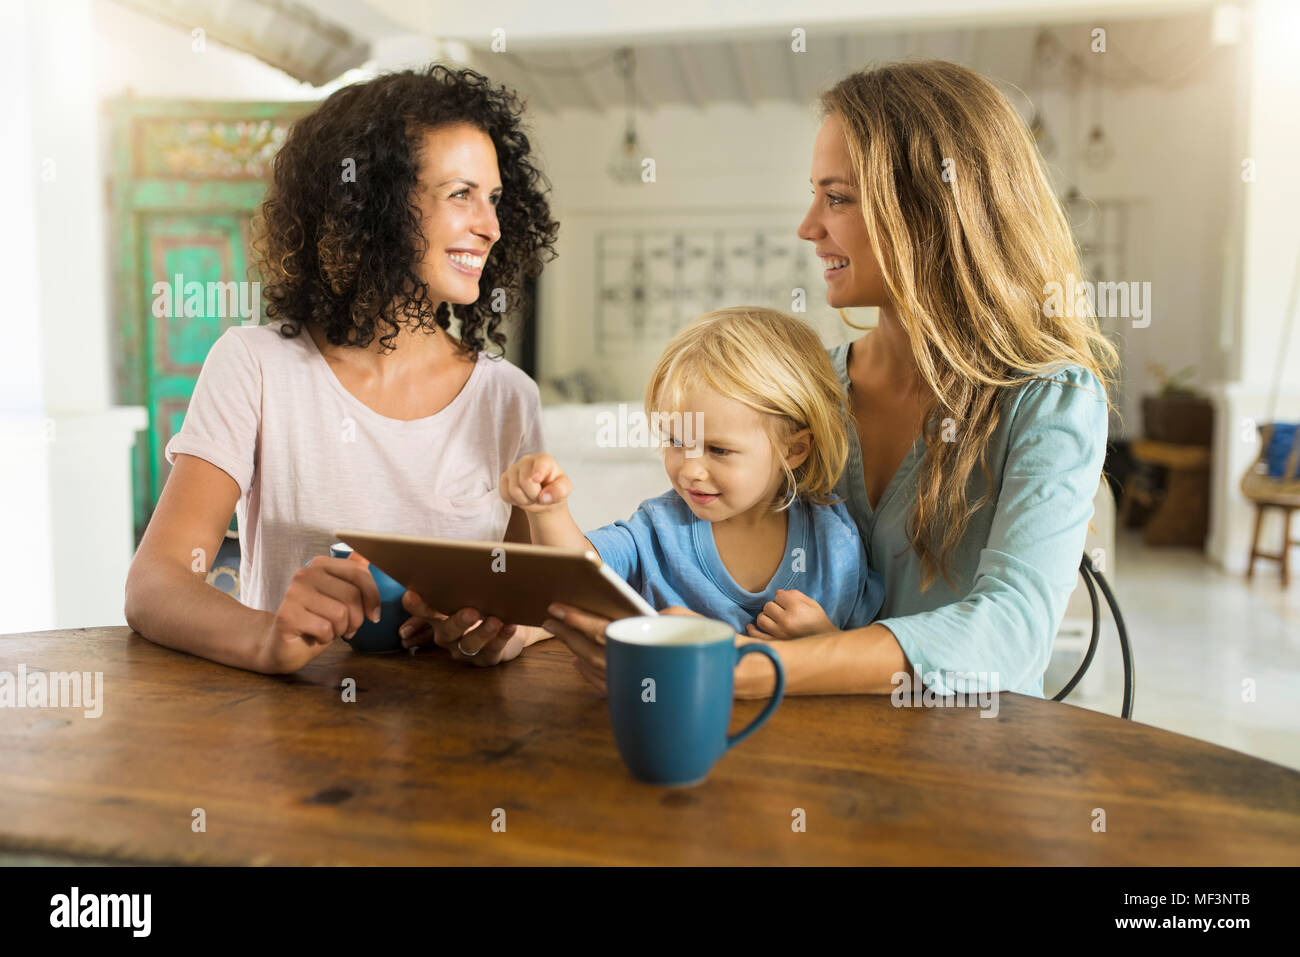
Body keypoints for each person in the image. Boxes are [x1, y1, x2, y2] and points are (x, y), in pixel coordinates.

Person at [544, 59, 1116, 700]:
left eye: (837, 197)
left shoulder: (1050, 399)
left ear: (929, 210)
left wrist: (749, 669)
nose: (808, 226)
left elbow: (1013, 631)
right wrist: (534, 619)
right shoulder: (810, 386)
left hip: (971, 761)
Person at [124, 65, 559, 673]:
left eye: (495, 200)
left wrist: (506, 633)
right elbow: (155, 583)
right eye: (461, 194)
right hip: (291, 730)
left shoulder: (509, 398)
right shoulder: (255, 366)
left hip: (465, 740)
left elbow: (542, 602)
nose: (489, 226)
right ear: (371, 205)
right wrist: (268, 639)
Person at [499, 307, 884, 636]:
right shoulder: (659, 528)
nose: (690, 469)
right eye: (675, 441)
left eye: (718, 449)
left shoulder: (834, 541)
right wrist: (547, 510)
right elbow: (575, 577)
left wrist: (824, 638)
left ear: (795, 449)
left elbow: (860, 653)